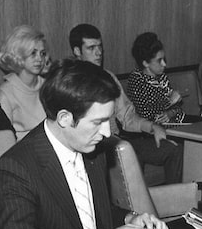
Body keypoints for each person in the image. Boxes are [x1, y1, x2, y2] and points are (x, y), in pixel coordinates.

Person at [0, 59, 169, 229]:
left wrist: (129, 219)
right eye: (98, 122)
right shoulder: (16, 167)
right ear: (65, 118)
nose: (106, 133)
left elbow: (86, 214)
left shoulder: (94, 150)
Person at [69, 24, 183, 184]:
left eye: (100, 46)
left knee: (172, 150)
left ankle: (174, 204)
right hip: (89, 143)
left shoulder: (108, 77)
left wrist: (152, 127)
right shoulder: (69, 81)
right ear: (77, 51)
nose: (99, 52)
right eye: (91, 48)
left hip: (115, 140)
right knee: (124, 153)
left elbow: (127, 116)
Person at [126, 32, 198, 125]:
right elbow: (145, 113)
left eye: (164, 59)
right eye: (159, 61)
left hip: (174, 120)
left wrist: (170, 113)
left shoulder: (161, 76)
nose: (164, 64)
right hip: (153, 128)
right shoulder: (136, 80)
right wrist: (170, 101)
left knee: (200, 122)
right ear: (145, 63)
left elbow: (176, 106)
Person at [0, 25, 48, 141]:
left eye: (42, 53)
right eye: (33, 53)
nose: (39, 59)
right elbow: (4, 140)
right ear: (18, 55)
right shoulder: (6, 94)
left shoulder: (49, 86)